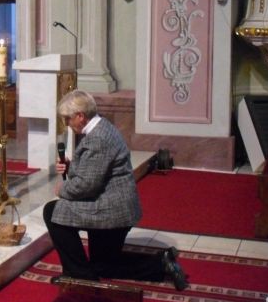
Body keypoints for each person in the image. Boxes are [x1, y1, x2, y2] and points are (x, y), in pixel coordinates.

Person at [43, 90, 188, 290]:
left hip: (111, 210)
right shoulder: (102, 126)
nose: (67, 123)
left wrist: (62, 189)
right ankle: (161, 264)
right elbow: (96, 169)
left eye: (68, 118)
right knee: (104, 265)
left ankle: (78, 274)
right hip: (117, 205)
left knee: (52, 211)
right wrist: (71, 167)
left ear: (80, 116)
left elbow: (87, 185)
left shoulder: (97, 139)